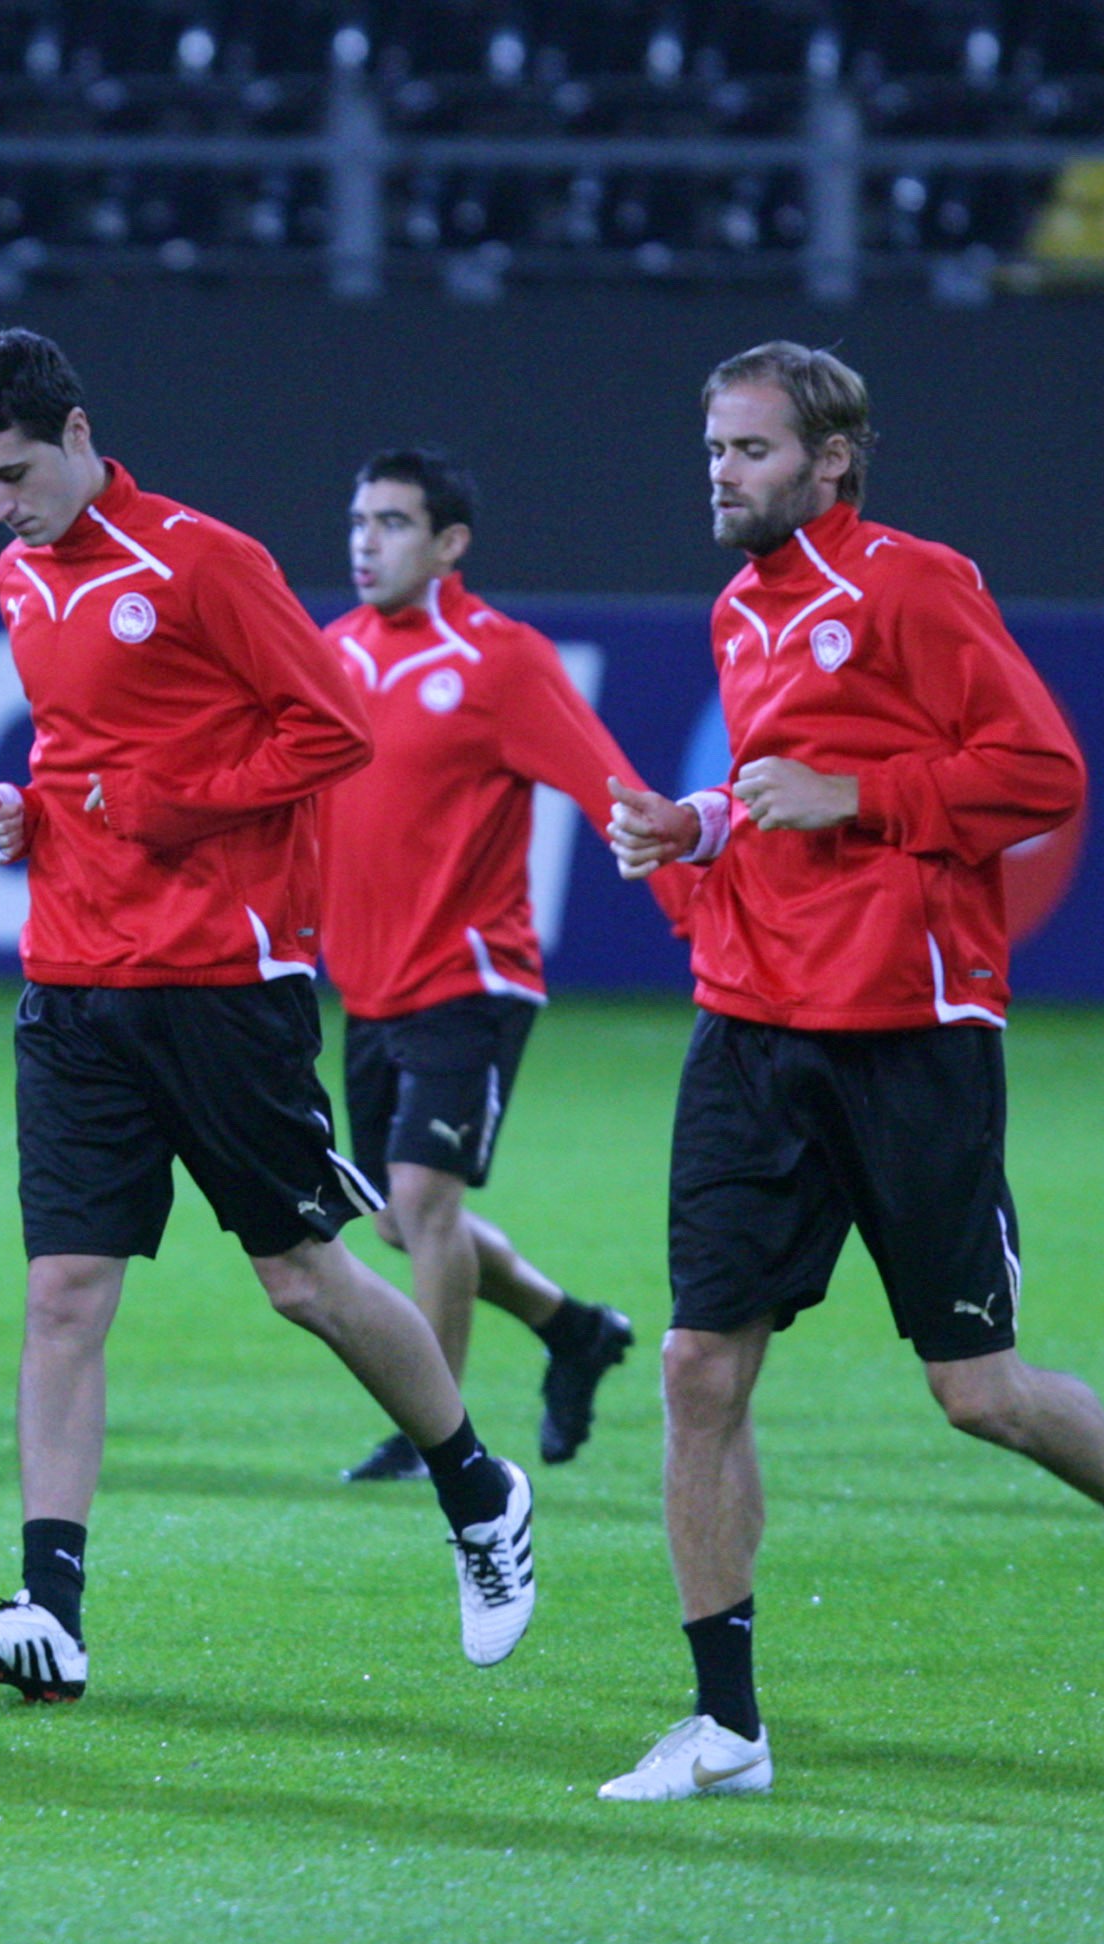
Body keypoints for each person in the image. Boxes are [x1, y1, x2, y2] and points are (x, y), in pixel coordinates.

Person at [597, 341, 1104, 1800]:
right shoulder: (739, 607)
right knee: (696, 1365)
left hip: (908, 1030)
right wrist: (698, 824)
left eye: (749, 451)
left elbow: (1041, 775)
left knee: (974, 1390)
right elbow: (784, 778)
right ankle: (725, 1723)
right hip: (748, 1025)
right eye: (711, 448)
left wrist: (860, 795)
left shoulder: (911, 582)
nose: (721, 473)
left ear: (828, 460)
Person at [0, 329, 537, 1705]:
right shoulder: (20, 571)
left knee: (300, 1275)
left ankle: (476, 1488)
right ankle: (50, 1605)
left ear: (75, 434)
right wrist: (26, 806)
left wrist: (171, 802)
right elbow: (81, 747)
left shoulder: (203, 561)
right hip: (71, 976)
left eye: (11, 472)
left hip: (223, 975)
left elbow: (328, 730)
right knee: (62, 1288)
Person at [319, 446, 665, 1483]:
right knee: (398, 1218)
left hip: (471, 974)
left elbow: (614, 790)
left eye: (391, 523)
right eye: (359, 520)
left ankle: (440, 1439)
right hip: (369, 982)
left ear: (450, 543)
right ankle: (574, 1327)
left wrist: (700, 900)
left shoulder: (499, 659)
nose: (365, 542)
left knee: (422, 1204)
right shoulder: (330, 653)